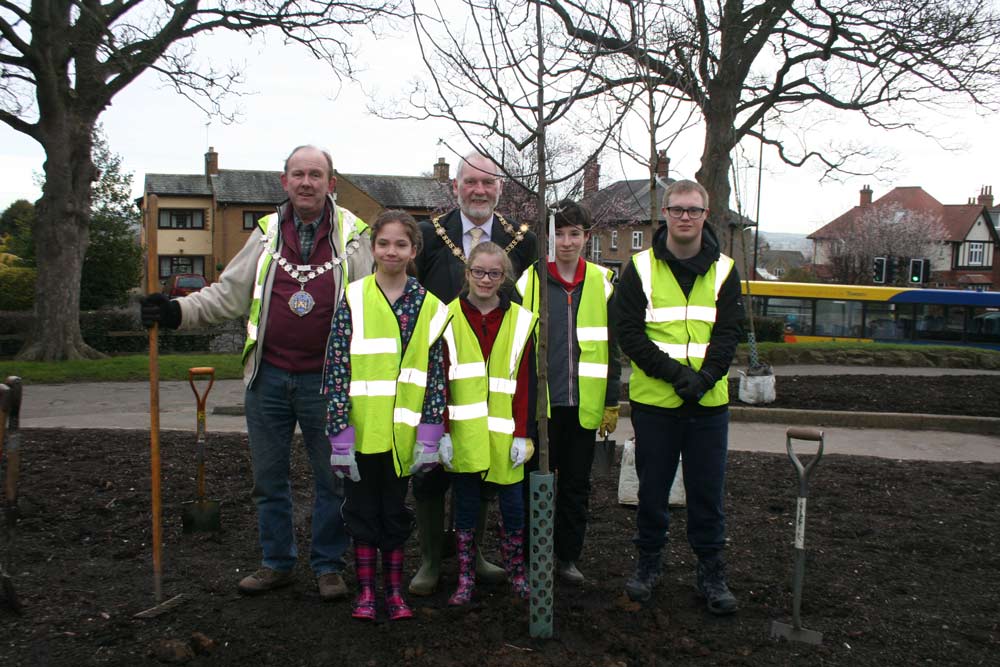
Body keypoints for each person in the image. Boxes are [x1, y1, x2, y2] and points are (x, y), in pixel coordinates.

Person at [140, 145, 373, 600]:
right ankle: (277, 562)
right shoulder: (266, 233)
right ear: (283, 182)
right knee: (268, 480)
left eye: (316, 174)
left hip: (330, 382)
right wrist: (174, 311)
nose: (307, 182)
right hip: (267, 378)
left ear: (332, 183)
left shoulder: (354, 236)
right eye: (298, 174)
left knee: (334, 479)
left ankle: (328, 566)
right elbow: (227, 296)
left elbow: (376, 301)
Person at [409, 152, 538, 595]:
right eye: (470, 182)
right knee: (429, 476)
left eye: (488, 182)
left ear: (500, 187)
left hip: (494, 391)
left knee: (481, 480)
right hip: (436, 374)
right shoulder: (427, 235)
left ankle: (476, 556)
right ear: (456, 186)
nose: (479, 190)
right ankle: (429, 559)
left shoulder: (520, 239)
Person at [615, 179, 743, 615]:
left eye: (693, 209)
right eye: (676, 209)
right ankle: (648, 564)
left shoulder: (725, 269)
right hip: (657, 403)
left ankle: (711, 572)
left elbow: (729, 333)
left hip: (708, 404)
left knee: (708, 492)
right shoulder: (641, 268)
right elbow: (628, 333)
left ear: (706, 215)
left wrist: (705, 377)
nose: (685, 216)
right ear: (664, 214)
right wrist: (674, 374)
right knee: (652, 490)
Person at [323, 210, 449, 621]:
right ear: (372, 247)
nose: (391, 251)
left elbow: (434, 376)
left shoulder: (429, 306)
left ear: (414, 250)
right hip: (360, 434)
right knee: (360, 512)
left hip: (403, 437)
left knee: (394, 513)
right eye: (383, 243)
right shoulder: (354, 298)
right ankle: (365, 592)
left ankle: (393, 593)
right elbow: (337, 366)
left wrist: (430, 435)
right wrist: (339, 433)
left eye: (401, 244)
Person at [515, 199, 621, 586]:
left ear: (587, 237)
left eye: (574, 233)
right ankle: (531, 555)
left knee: (576, 486)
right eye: (558, 233)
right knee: (534, 481)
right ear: (546, 237)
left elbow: (613, 348)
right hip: (541, 407)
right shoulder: (529, 281)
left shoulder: (604, 283)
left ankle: (567, 557)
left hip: (583, 406)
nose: (566, 242)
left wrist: (612, 399)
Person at [439, 242, 537, 605]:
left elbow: (525, 381)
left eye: (494, 273)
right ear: (467, 273)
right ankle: (465, 578)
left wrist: (523, 433)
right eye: (478, 271)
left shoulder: (521, 320)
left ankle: (516, 574)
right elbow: (441, 381)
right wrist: (443, 433)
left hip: (505, 434)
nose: (485, 279)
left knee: (513, 507)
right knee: (464, 506)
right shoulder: (446, 316)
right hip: (463, 434)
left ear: (504, 277)